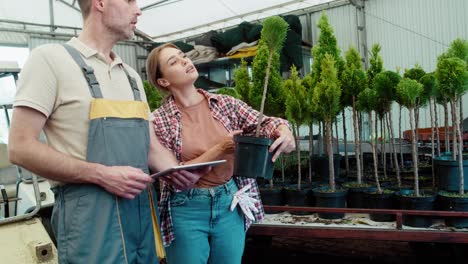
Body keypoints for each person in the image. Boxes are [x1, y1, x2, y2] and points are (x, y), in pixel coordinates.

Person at [8, 1, 204, 263]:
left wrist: (178, 171)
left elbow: (151, 146)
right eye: (130, 1)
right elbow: (20, 147)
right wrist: (101, 175)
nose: (138, 10)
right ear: (100, 3)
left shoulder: (131, 77)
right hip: (90, 220)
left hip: (141, 214)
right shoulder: (50, 60)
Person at [146, 43, 296, 264]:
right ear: (163, 81)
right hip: (186, 208)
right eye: (173, 62)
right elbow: (176, 175)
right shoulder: (159, 121)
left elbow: (267, 123)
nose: (185, 61)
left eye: (183, 56)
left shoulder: (225, 104)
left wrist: (283, 130)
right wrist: (220, 147)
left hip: (229, 202)